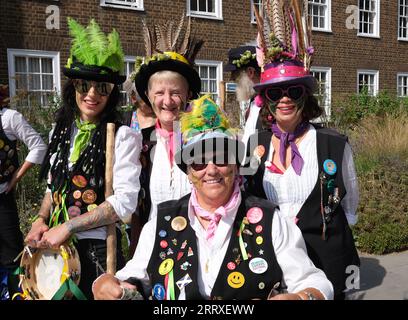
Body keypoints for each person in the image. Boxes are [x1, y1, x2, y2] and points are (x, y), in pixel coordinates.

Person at [92, 96, 333, 300]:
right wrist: (107, 284)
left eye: (221, 157)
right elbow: (134, 277)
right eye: (198, 160)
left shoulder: (269, 220)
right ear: (189, 172)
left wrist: (302, 297)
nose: (211, 169)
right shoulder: (162, 222)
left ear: (236, 166)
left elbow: (315, 281)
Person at [244, 0, 360, 300]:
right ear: (265, 100)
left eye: (293, 90)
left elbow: (350, 206)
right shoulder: (253, 143)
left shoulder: (334, 143)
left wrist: (329, 234)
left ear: (305, 95)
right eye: (275, 92)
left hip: (329, 260)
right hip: (272, 260)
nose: (284, 99)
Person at [24, 18, 141, 299]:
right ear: (72, 86)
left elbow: (124, 204)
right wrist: (41, 219)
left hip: (95, 252)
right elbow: (54, 187)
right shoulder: (61, 131)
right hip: (54, 247)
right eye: (84, 84)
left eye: (103, 87)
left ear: (112, 93)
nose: (92, 94)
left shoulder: (122, 136)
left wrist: (68, 227)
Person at [126, 14, 204, 257]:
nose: (167, 101)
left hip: (201, 249)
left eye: (176, 92)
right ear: (148, 96)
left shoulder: (206, 140)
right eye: (159, 92)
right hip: (154, 250)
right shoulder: (140, 142)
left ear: (189, 94)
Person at [0, 84, 47, 299]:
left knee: (11, 257)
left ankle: (16, 295)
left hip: (2, 198)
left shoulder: (9, 118)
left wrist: (16, 177)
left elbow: (38, 146)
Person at [225, 45, 271, 144]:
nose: (232, 80)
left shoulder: (271, 104)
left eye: (235, 77)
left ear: (250, 72)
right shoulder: (254, 102)